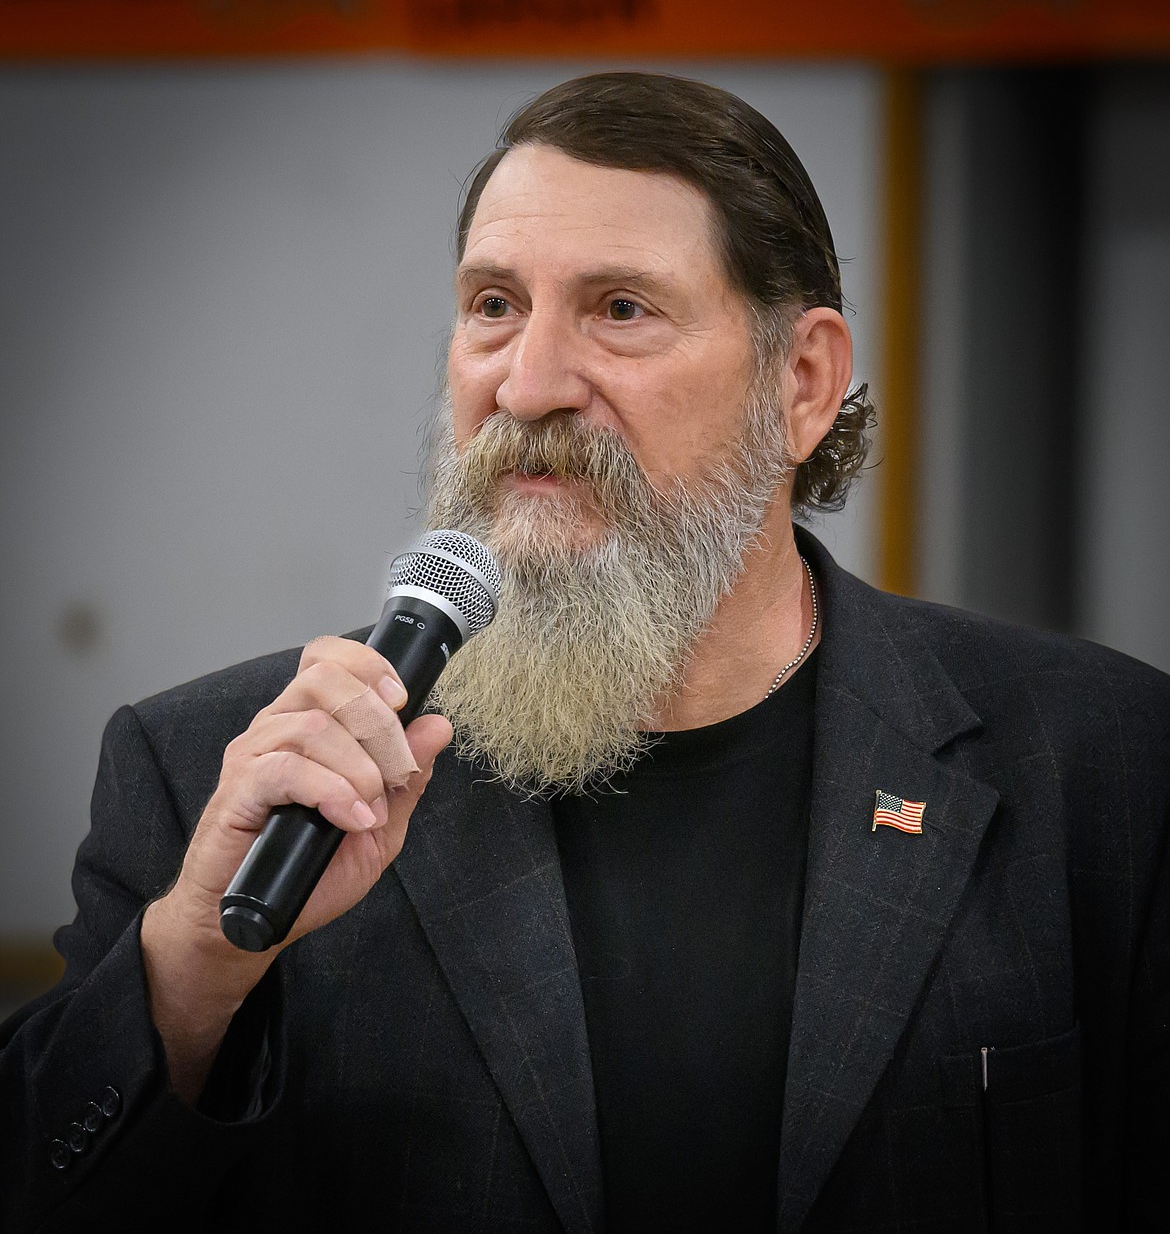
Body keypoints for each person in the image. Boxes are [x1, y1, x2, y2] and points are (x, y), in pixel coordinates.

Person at [2, 72, 1167, 1234]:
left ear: (801, 381)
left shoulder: (1100, 762)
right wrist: (194, 968)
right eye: (495, 304)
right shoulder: (223, 774)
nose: (530, 382)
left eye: (621, 309)